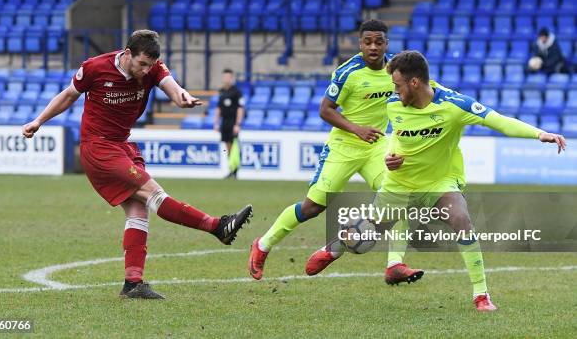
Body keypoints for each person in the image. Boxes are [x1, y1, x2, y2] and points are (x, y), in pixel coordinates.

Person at [22, 30, 253, 300]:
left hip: (123, 145)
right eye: (142, 64)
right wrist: (38, 121)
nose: (146, 70)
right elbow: (68, 95)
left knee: (138, 209)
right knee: (154, 194)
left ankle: (133, 284)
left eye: (150, 65)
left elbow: (173, 87)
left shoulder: (153, 69)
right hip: (98, 148)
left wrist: (183, 97)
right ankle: (217, 226)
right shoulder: (95, 67)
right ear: (128, 53)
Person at [381, 50, 565, 311]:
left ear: (414, 82)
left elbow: (498, 121)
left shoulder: (455, 105)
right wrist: (390, 155)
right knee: (375, 221)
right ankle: (346, 253)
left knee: (461, 220)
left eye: (397, 85)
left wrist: (539, 134)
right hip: (405, 180)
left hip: (442, 180)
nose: (394, 90)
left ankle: (481, 295)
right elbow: (396, 135)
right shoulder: (394, 103)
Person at [247, 19, 422, 285]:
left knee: (399, 199)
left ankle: (394, 265)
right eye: (367, 42)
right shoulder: (347, 72)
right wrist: (356, 129)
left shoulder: (396, 70)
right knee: (312, 207)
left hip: (377, 146)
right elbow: (325, 110)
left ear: (387, 44)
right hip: (343, 146)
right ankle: (263, 244)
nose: (373, 47)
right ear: (360, 43)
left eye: (379, 42)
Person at [213, 68, 244, 178]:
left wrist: (237, 124)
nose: (226, 79)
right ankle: (231, 169)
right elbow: (218, 108)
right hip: (224, 122)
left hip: (232, 122)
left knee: (233, 146)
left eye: (228, 77)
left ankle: (235, 170)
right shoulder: (222, 91)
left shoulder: (237, 92)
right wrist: (216, 122)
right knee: (227, 146)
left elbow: (240, 109)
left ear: (232, 78)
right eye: (224, 76)